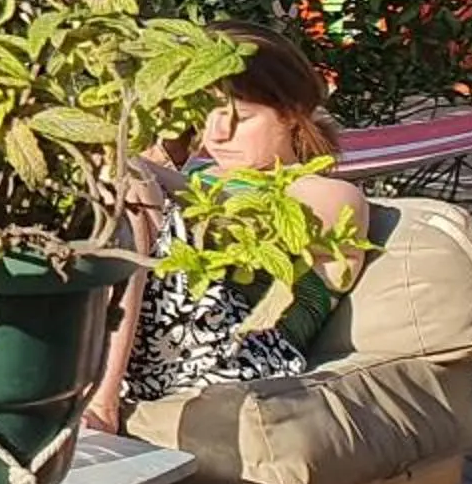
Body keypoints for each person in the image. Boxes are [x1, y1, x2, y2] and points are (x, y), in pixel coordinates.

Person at [84, 23, 369, 436]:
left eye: (241, 117)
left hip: (243, 354)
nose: (217, 133)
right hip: (164, 343)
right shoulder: (189, 177)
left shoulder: (329, 194)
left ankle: (101, 403)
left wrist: (149, 174)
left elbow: (234, 223)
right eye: (207, 112)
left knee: (126, 173)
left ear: (291, 113)